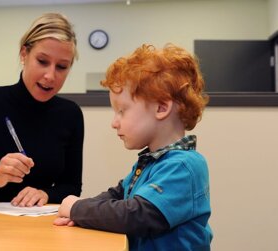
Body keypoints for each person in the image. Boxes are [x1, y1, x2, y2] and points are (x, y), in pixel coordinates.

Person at [54, 43, 212, 250]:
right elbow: (117, 194)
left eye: (122, 110)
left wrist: (78, 209)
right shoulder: (150, 162)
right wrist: (82, 213)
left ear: (161, 108)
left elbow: (137, 215)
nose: (114, 122)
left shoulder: (184, 166)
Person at [0, 13, 84, 207]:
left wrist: (46, 194)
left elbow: (71, 186)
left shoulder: (70, 114)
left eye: (62, 67)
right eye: (42, 61)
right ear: (24, 54)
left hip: (40, 227)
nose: (50, 75)